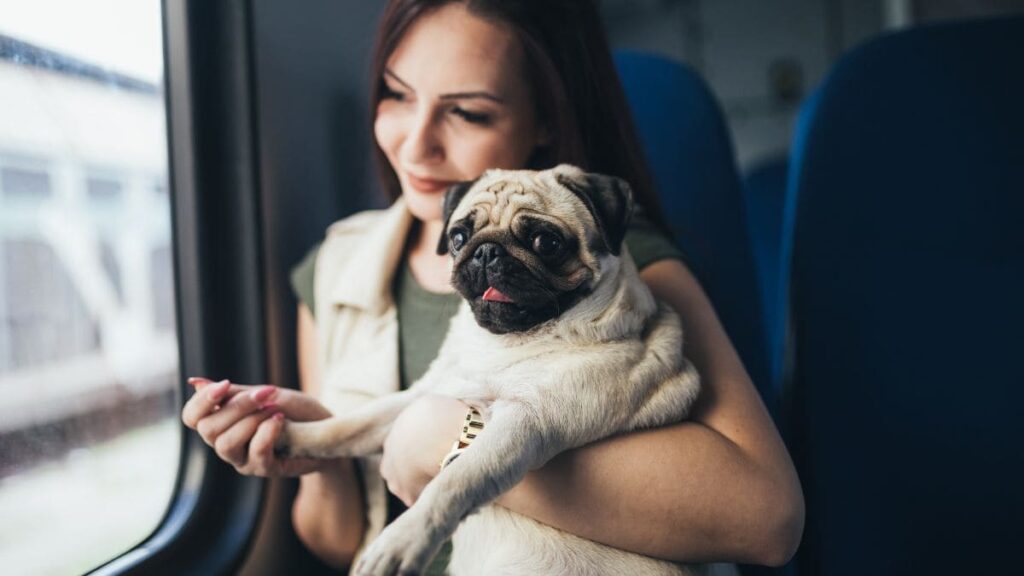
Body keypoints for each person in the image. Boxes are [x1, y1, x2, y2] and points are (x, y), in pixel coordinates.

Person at [181, 0, 805, 573]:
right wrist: (319, 456)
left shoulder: (624, 263)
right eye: (396, 95)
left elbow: (768, 520)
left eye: (467, 111)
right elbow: (345, 545)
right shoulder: (336, 268)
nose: (416, 143)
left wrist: (445, 439)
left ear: (545, 120)